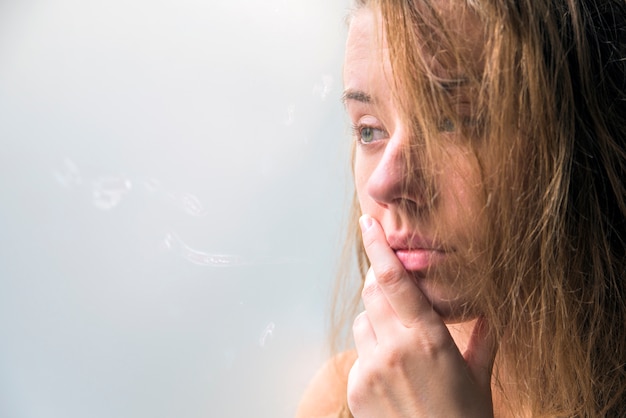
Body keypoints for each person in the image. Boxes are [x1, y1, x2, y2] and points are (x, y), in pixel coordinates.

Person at [296, 0, 626, 416]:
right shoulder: (345, 399)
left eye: (452, 121)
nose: (384, 183)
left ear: (576, 138)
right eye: (369, 130)